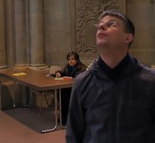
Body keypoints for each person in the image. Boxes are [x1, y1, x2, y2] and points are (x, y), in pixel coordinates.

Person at [66, 10, 155, 142]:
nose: (101, 26)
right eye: (100, 24)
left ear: (128, 37)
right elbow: (74, 134)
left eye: (111, 24)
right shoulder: (83, 82)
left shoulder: (150, 81)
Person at [52, 51, 87, 124]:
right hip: (68, 88)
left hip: (78, 89)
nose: (70, 61)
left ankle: (69, 119)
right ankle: (64, 118)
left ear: (77, 60)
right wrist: (58, 73)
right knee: (61, 93)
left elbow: (81, 79)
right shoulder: (67, 66)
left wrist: (73, 79)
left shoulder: (82, 68)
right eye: (69, 59)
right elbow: (61, 71)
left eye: (72, 59)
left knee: (65, 95)